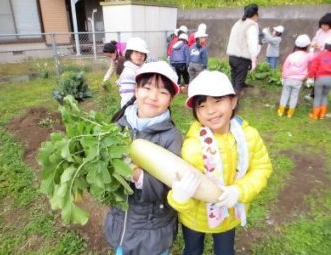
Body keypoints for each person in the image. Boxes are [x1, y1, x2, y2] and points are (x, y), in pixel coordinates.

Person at [167, 70, 272, 255]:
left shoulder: (248, 136)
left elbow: (261, 168)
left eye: (217, 101)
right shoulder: (192, 147)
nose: (211, 111)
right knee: (192, 250)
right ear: (195, 112)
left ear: (233, 101)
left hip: (228, 216)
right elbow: (177, 182)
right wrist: (179, 198)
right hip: (194, 218)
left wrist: (239, 191)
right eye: (202, 105)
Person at [104, 61, 182, 255]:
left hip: (152, 230)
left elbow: (171, 187)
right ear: (136, 90)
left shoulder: (171, 137)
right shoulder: (117, 126)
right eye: (147, 88)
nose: (153, 97)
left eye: (163, 92)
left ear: (170, 100)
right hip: (121, 224)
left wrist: (137, 175)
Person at [227, 4, 260, 93]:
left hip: (232, 56)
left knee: (234, 77)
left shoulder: (238, 23)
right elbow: (252, 45)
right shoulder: (251, 26)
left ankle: (230, 94)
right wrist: (254, 61)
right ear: (255, 15)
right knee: (238, 83)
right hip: (241, 58)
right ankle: (234, 102)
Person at [278, 34, 313, 118]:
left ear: (296, 45)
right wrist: (312, 49)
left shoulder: (291, 55)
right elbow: (312, 60)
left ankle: (281, 111)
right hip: (298, 81)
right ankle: (290, 113)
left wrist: (283, 77)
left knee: (285, 94)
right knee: (294, 96)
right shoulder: (307, 56)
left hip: (288, 79)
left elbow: (285, 67)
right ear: (307, 46)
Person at [304, 13, 331, 102]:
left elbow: (327, 47)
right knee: (316, 74)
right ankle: (314, 95)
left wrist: (320, 46)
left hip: (325, 59)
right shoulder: (319, 31)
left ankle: (319, 95)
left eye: (326, 25)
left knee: (322, 75)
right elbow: (314, 40)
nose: (323, 27)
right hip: (317, 56)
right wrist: (313, 46)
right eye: (322, 25)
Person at [117, 37, 149, 107]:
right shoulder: (129, 73)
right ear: (129, 53)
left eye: (142, 53)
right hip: (133, 110)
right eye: (136, 52)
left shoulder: (140, 68)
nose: (139, 55)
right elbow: (128, 99)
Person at [306, 39, 331, 120]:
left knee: (317, 97)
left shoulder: (320, 55)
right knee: (324, 96)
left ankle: (315, 115)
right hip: (330, 79)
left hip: (320, 78)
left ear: (326, 47)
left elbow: (313, 67)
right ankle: (322, 115)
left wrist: (310, 76)